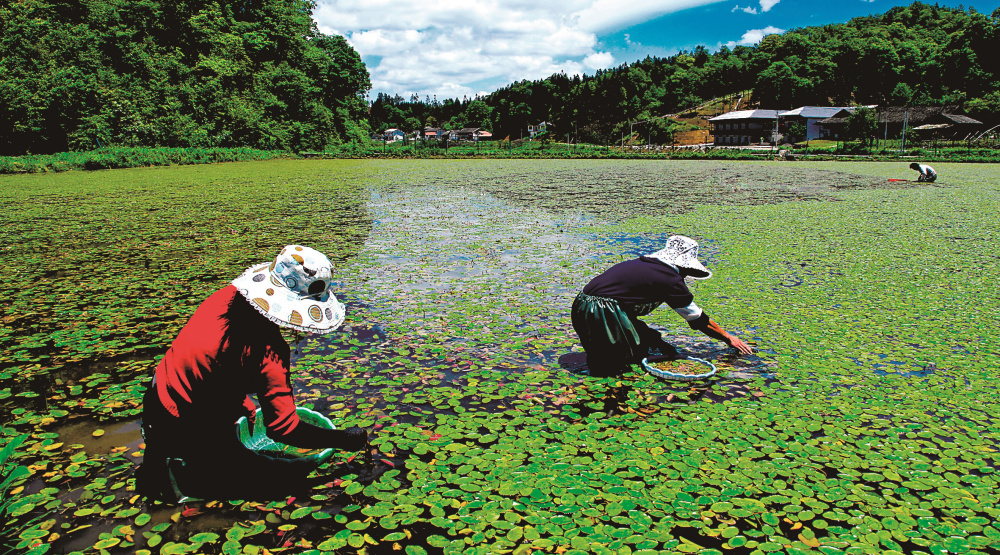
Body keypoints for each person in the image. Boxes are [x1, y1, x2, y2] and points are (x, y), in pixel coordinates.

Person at [136, 245, 368, 502]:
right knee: (280, 475)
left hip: (157, 398)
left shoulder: (226, 296)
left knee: (157, 476)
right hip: (188, 423)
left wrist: (238, 401)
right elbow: (284, 430)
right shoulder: (269, 353)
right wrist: (342, 439)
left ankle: (157, 484)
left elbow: (209, 363)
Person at [571, 235, 753, 377]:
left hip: (582, 304)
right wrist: (729, 338)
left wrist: (659, 343)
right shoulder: (669, 278)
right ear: (685, 266)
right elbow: (697, 319)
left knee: (645, 341)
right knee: (617, 364)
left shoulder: (646, 264)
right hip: (602, 311)